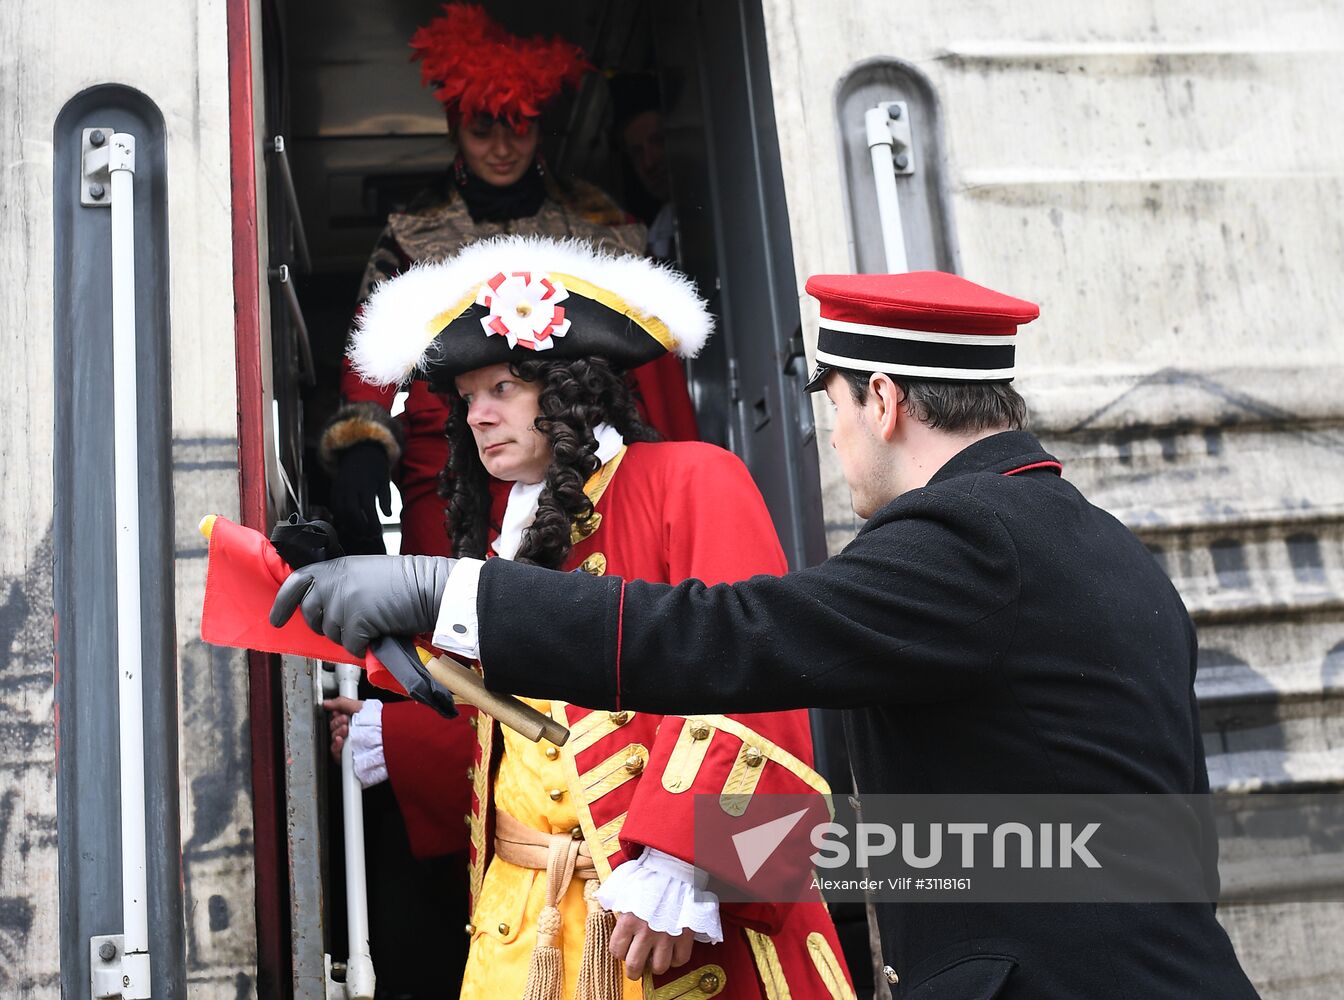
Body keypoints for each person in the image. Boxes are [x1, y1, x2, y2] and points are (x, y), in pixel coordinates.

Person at [274, 270, 1263, 999]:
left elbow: (737, 638)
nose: (830, 439)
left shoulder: (966, 538)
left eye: (829, 406)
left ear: (882, 399)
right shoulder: (1104, 548)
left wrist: (442, 586)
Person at [309, 234, 854, 999]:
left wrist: (684, 862)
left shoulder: (692, 480)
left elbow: (752, 675)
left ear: (567, 388)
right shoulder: (511, 540)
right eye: (467, 398)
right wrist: (398, 734)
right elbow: (537, 738)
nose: (477, 416)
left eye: (501, 388)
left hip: (658, 925)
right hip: (522, 924)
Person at [320, 3, 695, 559]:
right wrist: (363, 446)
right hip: (447, 470)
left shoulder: (601, 226)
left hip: (583, 461)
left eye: (517, 127)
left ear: (539, 128)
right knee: (446, 625)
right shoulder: (410, 234)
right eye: (482, 129)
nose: (501, 147)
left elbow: (653, 361)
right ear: (456, 130)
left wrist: (677, 459)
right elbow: (370, 354)